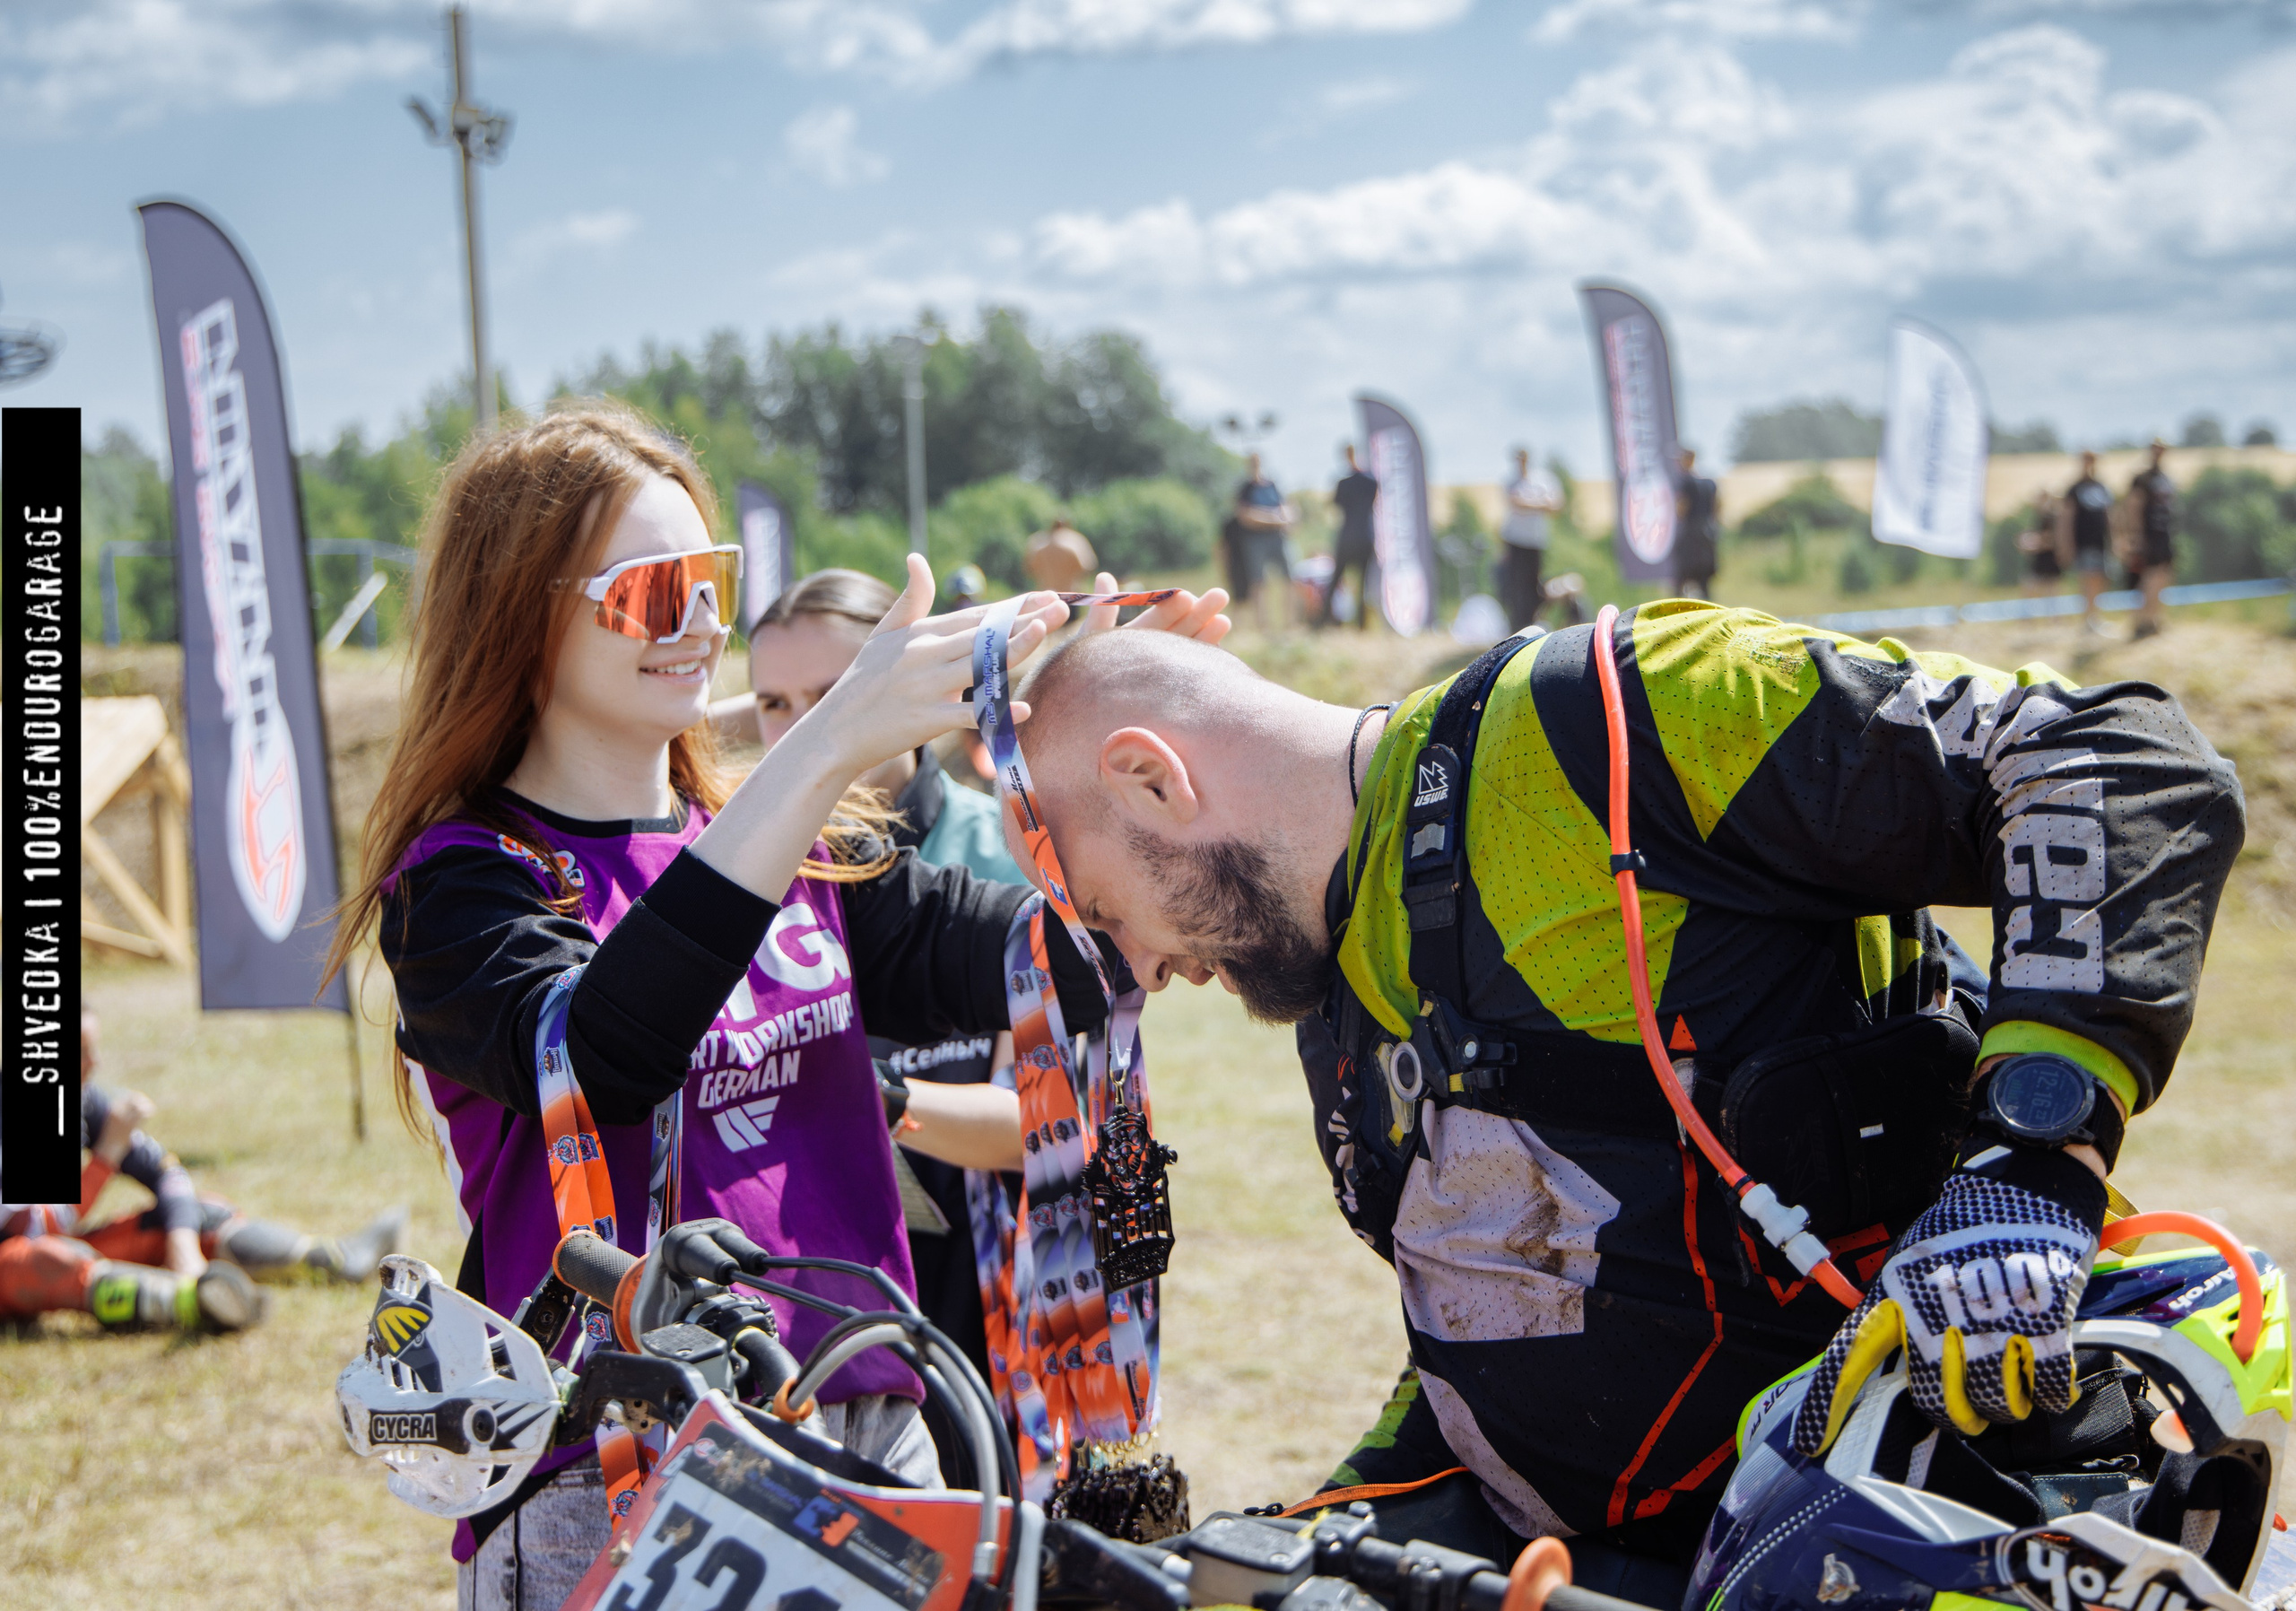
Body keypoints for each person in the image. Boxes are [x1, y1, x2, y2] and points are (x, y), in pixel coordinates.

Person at [1002, 602, 2239, 1598]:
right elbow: (1500, 1325)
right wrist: (1303, 1537)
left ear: (1152, 780)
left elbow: (2108, 759)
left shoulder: (1612, 717)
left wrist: (2037, 1153)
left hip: (1950, 1520)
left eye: (1107, 913)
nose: (1150, 974)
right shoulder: (1336, 1004)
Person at [333, 403, 1227, 1605]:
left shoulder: (799, 847)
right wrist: (826, 747)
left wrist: (1134, 740)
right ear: (521, 608)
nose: (700, 623)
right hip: (616, 1475)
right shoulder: (464, 882)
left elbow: (1064, 960)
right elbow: (596, 1067)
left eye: (712, 581)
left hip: (874, 1426)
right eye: (656, 590)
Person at [726, 567, 1039, 1422]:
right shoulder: (740, 875)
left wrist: (872, 1096)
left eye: (835, 696)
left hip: (997, 1289)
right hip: (816, 1290)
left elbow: (1053, 1126)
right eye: (775, 704)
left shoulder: (1006, 854)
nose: (803, 732)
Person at [0, 1012, 404, 1332]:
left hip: (55, 1252)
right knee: (44, 1257)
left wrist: (182, 1242)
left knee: (203, 1214)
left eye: (93, 1049)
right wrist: (105, 1158)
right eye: (80, 1051)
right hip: (17, 1266)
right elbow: (35, 1226)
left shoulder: (85, 1100)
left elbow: (167, 1173)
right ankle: (196, 1304)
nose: (95, 1063)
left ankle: (336, 1259)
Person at [1498, 448, 1561, 631]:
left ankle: (1532, 620)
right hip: (1515, 540)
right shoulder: (1511, 480)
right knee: (1515, 584)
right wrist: (1541, 504)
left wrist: (1531, 504)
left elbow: (1556, 505)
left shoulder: (1543, 479)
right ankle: (1517, 625)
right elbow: (1516, 503)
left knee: (1533, 584)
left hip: (1536, 540)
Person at [1231, 453, 1296, 631]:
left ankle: (1289, 623)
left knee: (1289, 579)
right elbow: (1246, 516)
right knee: (1258, 582)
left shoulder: (1273, 485)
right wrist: (1275, 519)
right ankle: (1263, 626)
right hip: (1255, 541)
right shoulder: (1245, 488)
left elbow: (1287, 510)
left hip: (1278, 539)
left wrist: (1272, 517)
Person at [1322, 444, 1379, 631]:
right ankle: (1358, 625)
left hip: (1349, 536)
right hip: (1364, 536)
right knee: (1358, 583)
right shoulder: (1370, 480)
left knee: (1338, 580)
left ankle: (1325, 621)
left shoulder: (1345, 483)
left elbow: (1335, 505)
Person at [2126, 440, 2178, 640]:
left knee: (2163, 575)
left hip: (2165, 533)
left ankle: (2155, 618)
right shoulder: (2142, 478)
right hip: (2148, 535)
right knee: (2148, 577)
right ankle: (2143, 621)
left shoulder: (2166, 478)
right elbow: (2133, 507)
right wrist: (2136, 536)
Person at [2059, 450, 2115, 633]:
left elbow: (2109, 516)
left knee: (2100, 580)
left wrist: (2115, 540)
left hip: (2101, 542)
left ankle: (2094, 617)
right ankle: (2088, 621)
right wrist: (2066, 545)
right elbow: (2066, 519)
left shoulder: (2101, 486)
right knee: (2088, 579)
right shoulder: (2074, 489)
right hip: (2084, 543)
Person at [1672, 448, 1719, 600]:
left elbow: (1682, 508)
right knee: (1705, 585)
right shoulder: (1710, 483)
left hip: (1690, 536)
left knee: (1681, 580)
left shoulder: (1686, 482)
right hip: (1708, 535)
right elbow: (1718, 506)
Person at [1023, 515, 1098, 594]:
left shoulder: (1038, 542)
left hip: (1046, 591)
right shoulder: (1076, 541)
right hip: (1070, 593)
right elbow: (1088, 567)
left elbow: (1028, 569)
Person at [2017, 492, 2064, 597]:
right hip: (2040, 560)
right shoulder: (2038, 518)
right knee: (2032, 589)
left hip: (2049, 561)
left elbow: (2052, 540)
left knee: (2051, 593)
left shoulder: (2050, 519)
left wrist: (2034, 543)